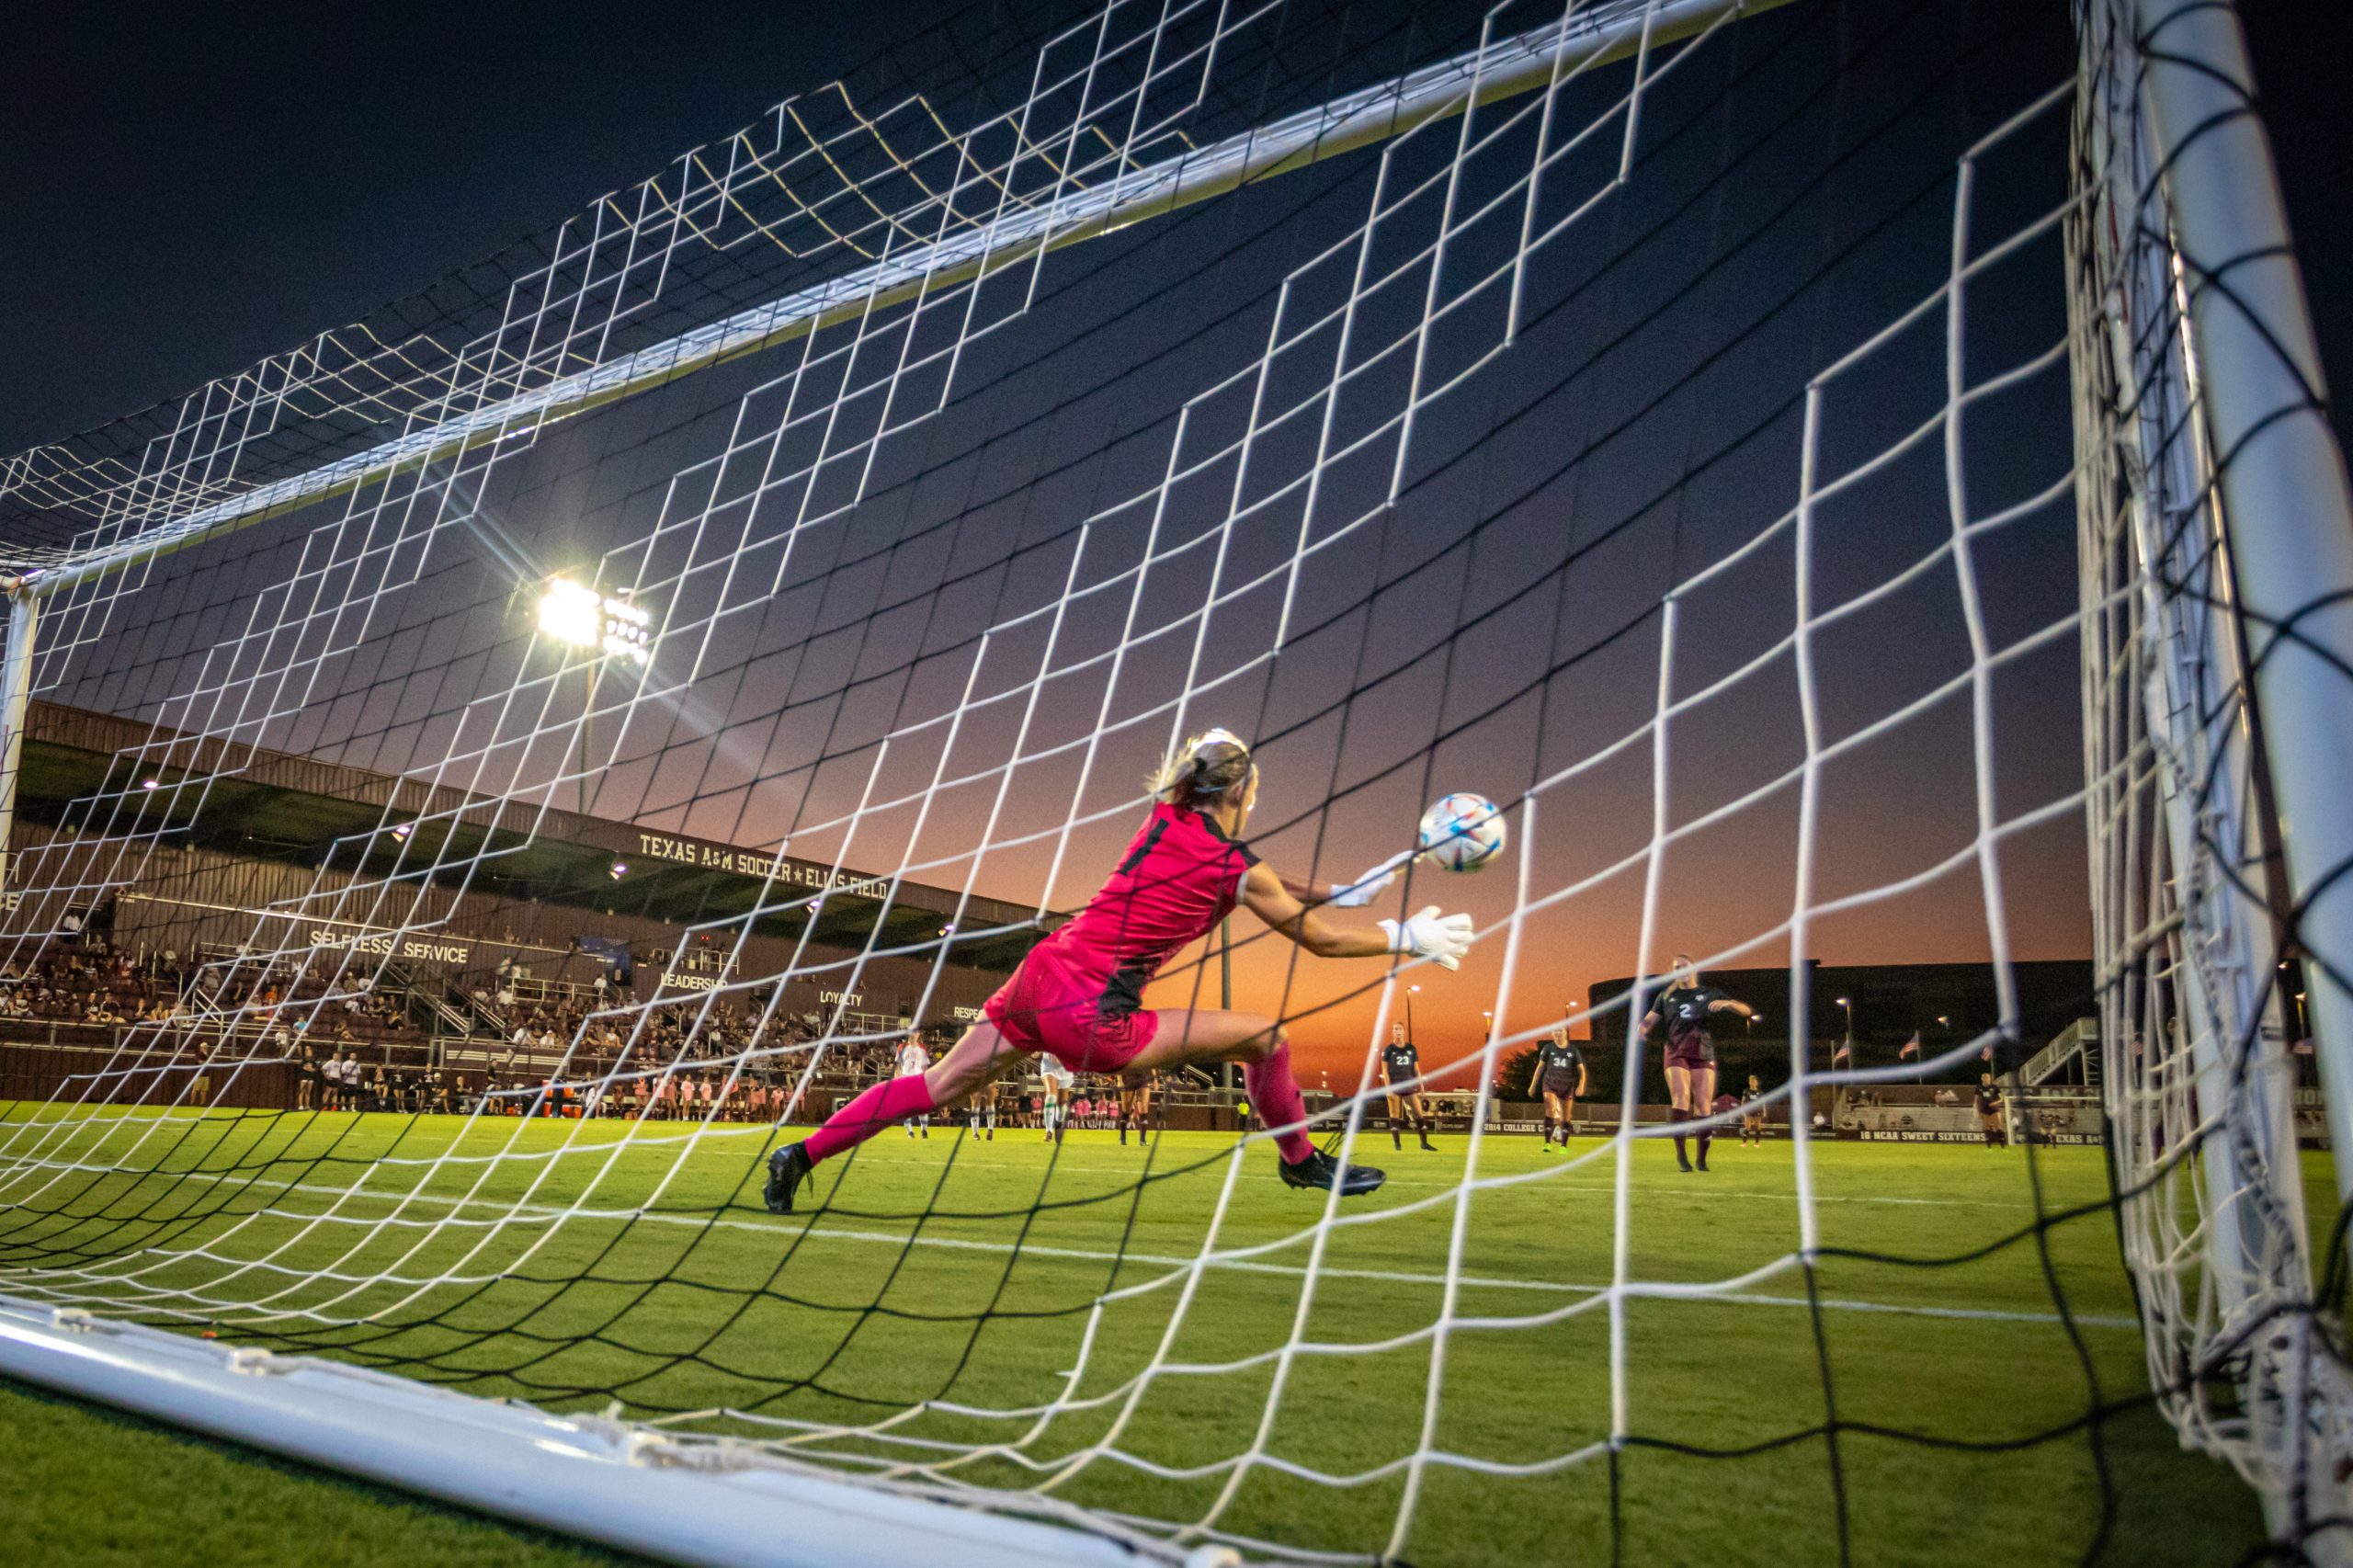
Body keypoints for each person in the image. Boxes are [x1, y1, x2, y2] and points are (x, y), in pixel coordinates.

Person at [765, 728, 1475, 1211]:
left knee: (934, 1086)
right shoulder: (1237, 867)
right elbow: (1316, 940)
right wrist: (1400, 935)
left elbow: (1262, 875)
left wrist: (1342, 889)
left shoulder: (1163, 816)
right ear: (1241, 794)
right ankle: (1299, 1161)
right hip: (1092, 1017)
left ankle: (800, 1156)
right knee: (1267, 1037)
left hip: (1039, 977)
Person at [1638, 955, 1755, 1173]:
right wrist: (1641, 1031)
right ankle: (1682, 1156)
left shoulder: (1709, 993)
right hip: (1675, 1052)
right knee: (1681, 1097)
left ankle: (1701, 1159)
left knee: (1703, 1104)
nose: (1681, 970)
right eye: (1676, 968)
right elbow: (1648, 1020)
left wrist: (1729, 1004)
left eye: (1684, 966)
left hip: (1702, 1052)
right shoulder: (1666, 996)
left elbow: (1746, 1011)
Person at [1380, 1022, 1436, 1152]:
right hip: (1394, 1086)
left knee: (1419, 1113)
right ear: (1392, 1032)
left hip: (1409, 1086)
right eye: (1395, 1029)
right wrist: (1387, 1088)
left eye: (1399, 1028)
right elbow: (1384, 1070)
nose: (1397, 1031)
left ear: (1404, 1031)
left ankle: (1424, 1143)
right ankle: (1397, 1145)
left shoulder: (1411, 1048)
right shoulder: (1389, 1050)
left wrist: (1421, 1086)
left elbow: (1416, 1069)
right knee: (1395, 1114)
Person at [1531, 1027, 1586, 1148]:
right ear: (1552, 1034)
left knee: (1566, 1117)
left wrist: (1581, 1085)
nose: (1558, 1034)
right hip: (1550, 1084)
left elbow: (1581, 1070)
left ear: (1565, 1033)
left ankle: (1562, 1141)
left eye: (1560, 1031)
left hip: (1566, 1086)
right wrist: (1533, 1085)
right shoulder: (1548, 1048)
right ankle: (1547, 1142)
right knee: (1550, 1109)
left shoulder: (1572, 1050)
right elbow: (1540, 1067)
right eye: (1555, 1032)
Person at [894, 1032, 932, 1139]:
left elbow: (925, 1067)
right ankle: (909, 1131)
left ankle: (924, 1130)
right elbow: (897, 1066)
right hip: (905, 1078)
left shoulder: (922, 1048)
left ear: (918, 1034)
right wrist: (897, 1079)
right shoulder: (901, 1047)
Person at [1038, 1051, 1074, 1143]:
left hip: (1066, 1068)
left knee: (1062, 1103)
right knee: (1051, 1097)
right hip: (1049, 1066)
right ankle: (1048, 1131)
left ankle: (1059, 1124)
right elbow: (1035, 1053)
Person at [1117, 1069, 1153, 1150]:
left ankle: (1142, 1140)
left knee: (1143, 1109)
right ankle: (1123, 1137)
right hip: (1128, 1077)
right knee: (1126, 1110)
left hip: (1143, 1077)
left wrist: (1155, 1079)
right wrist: (1119, 1080)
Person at [1974, 1073, 2006, 1148]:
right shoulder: (1979, 1088)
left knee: (1998, 1127)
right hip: (1984, 1109)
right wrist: (1977, 1111)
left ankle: (2003, 1146)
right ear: (1981, 1078)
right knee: (1986, 1127)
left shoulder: (1994, 1087)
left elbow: (2001, 1099)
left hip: (1994, 1109)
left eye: (1987, 1077)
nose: (1985, 1079)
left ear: (1990, 1078)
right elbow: (1976, 1100)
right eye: (1984, 1077)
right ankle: (1989, 1147)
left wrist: (1995, 1103)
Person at [1739, 1073, 1767, 1147]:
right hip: (1749, 1111)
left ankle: (1757, 1143)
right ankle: (1744, 1143)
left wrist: (1764, 1111)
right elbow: (1743, 1101)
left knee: (1758, 1127)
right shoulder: (1746, 1091)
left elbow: (1763, 1103)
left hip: (1757, 1111)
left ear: (1757, 1083)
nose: (1752, 1082)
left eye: (1754, 1081)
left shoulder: (1760, 1092)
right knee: (1747, 1127)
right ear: (1749, 1082)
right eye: (1751, 1081)